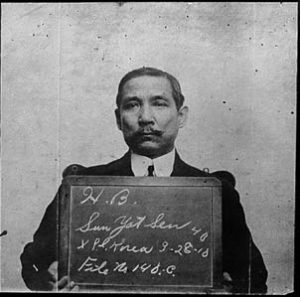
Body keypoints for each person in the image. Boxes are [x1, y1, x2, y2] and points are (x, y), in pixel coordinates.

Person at [20, 67, 268, 293]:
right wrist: (49, 281)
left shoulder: (217, 191)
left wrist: (233, 292)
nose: (146, 117)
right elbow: (33, 262)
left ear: (181, 116)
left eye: (159, 104)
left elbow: (254, 276)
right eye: (132, 105)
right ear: (119, 119)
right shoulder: (81, 186)